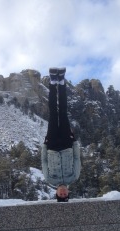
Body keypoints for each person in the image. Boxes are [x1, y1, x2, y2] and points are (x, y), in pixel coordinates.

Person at [41, 67, 81, 202]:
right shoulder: (74, 177)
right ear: (68, 192)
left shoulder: (49, 179)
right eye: (65, 194)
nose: (63, 192)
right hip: (66, 144)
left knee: (53, 113)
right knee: (63, 112)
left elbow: (44, 160)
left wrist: (45, 145)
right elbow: (76, 159)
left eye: (60, 195)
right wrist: (74, 141)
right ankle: (62, 82)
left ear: (56, 193)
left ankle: (52, 82)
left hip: (51, 145)